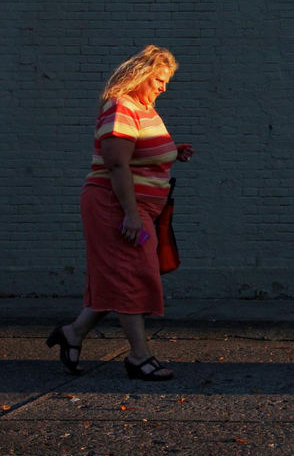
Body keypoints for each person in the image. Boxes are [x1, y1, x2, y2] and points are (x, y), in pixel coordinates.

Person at [46, 45, 194, 381]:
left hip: (135, 209)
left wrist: (171, 151)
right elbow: (115, 163)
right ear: (140, 76)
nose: (163, 87)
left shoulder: (144, 109)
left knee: (121, 274)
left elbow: (138, 150)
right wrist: (130, 214)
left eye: (166, 81)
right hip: (116, 208)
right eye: (159, 79)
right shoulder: (122, 107)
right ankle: (139, 357)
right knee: (133, 274)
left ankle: (72, 334)